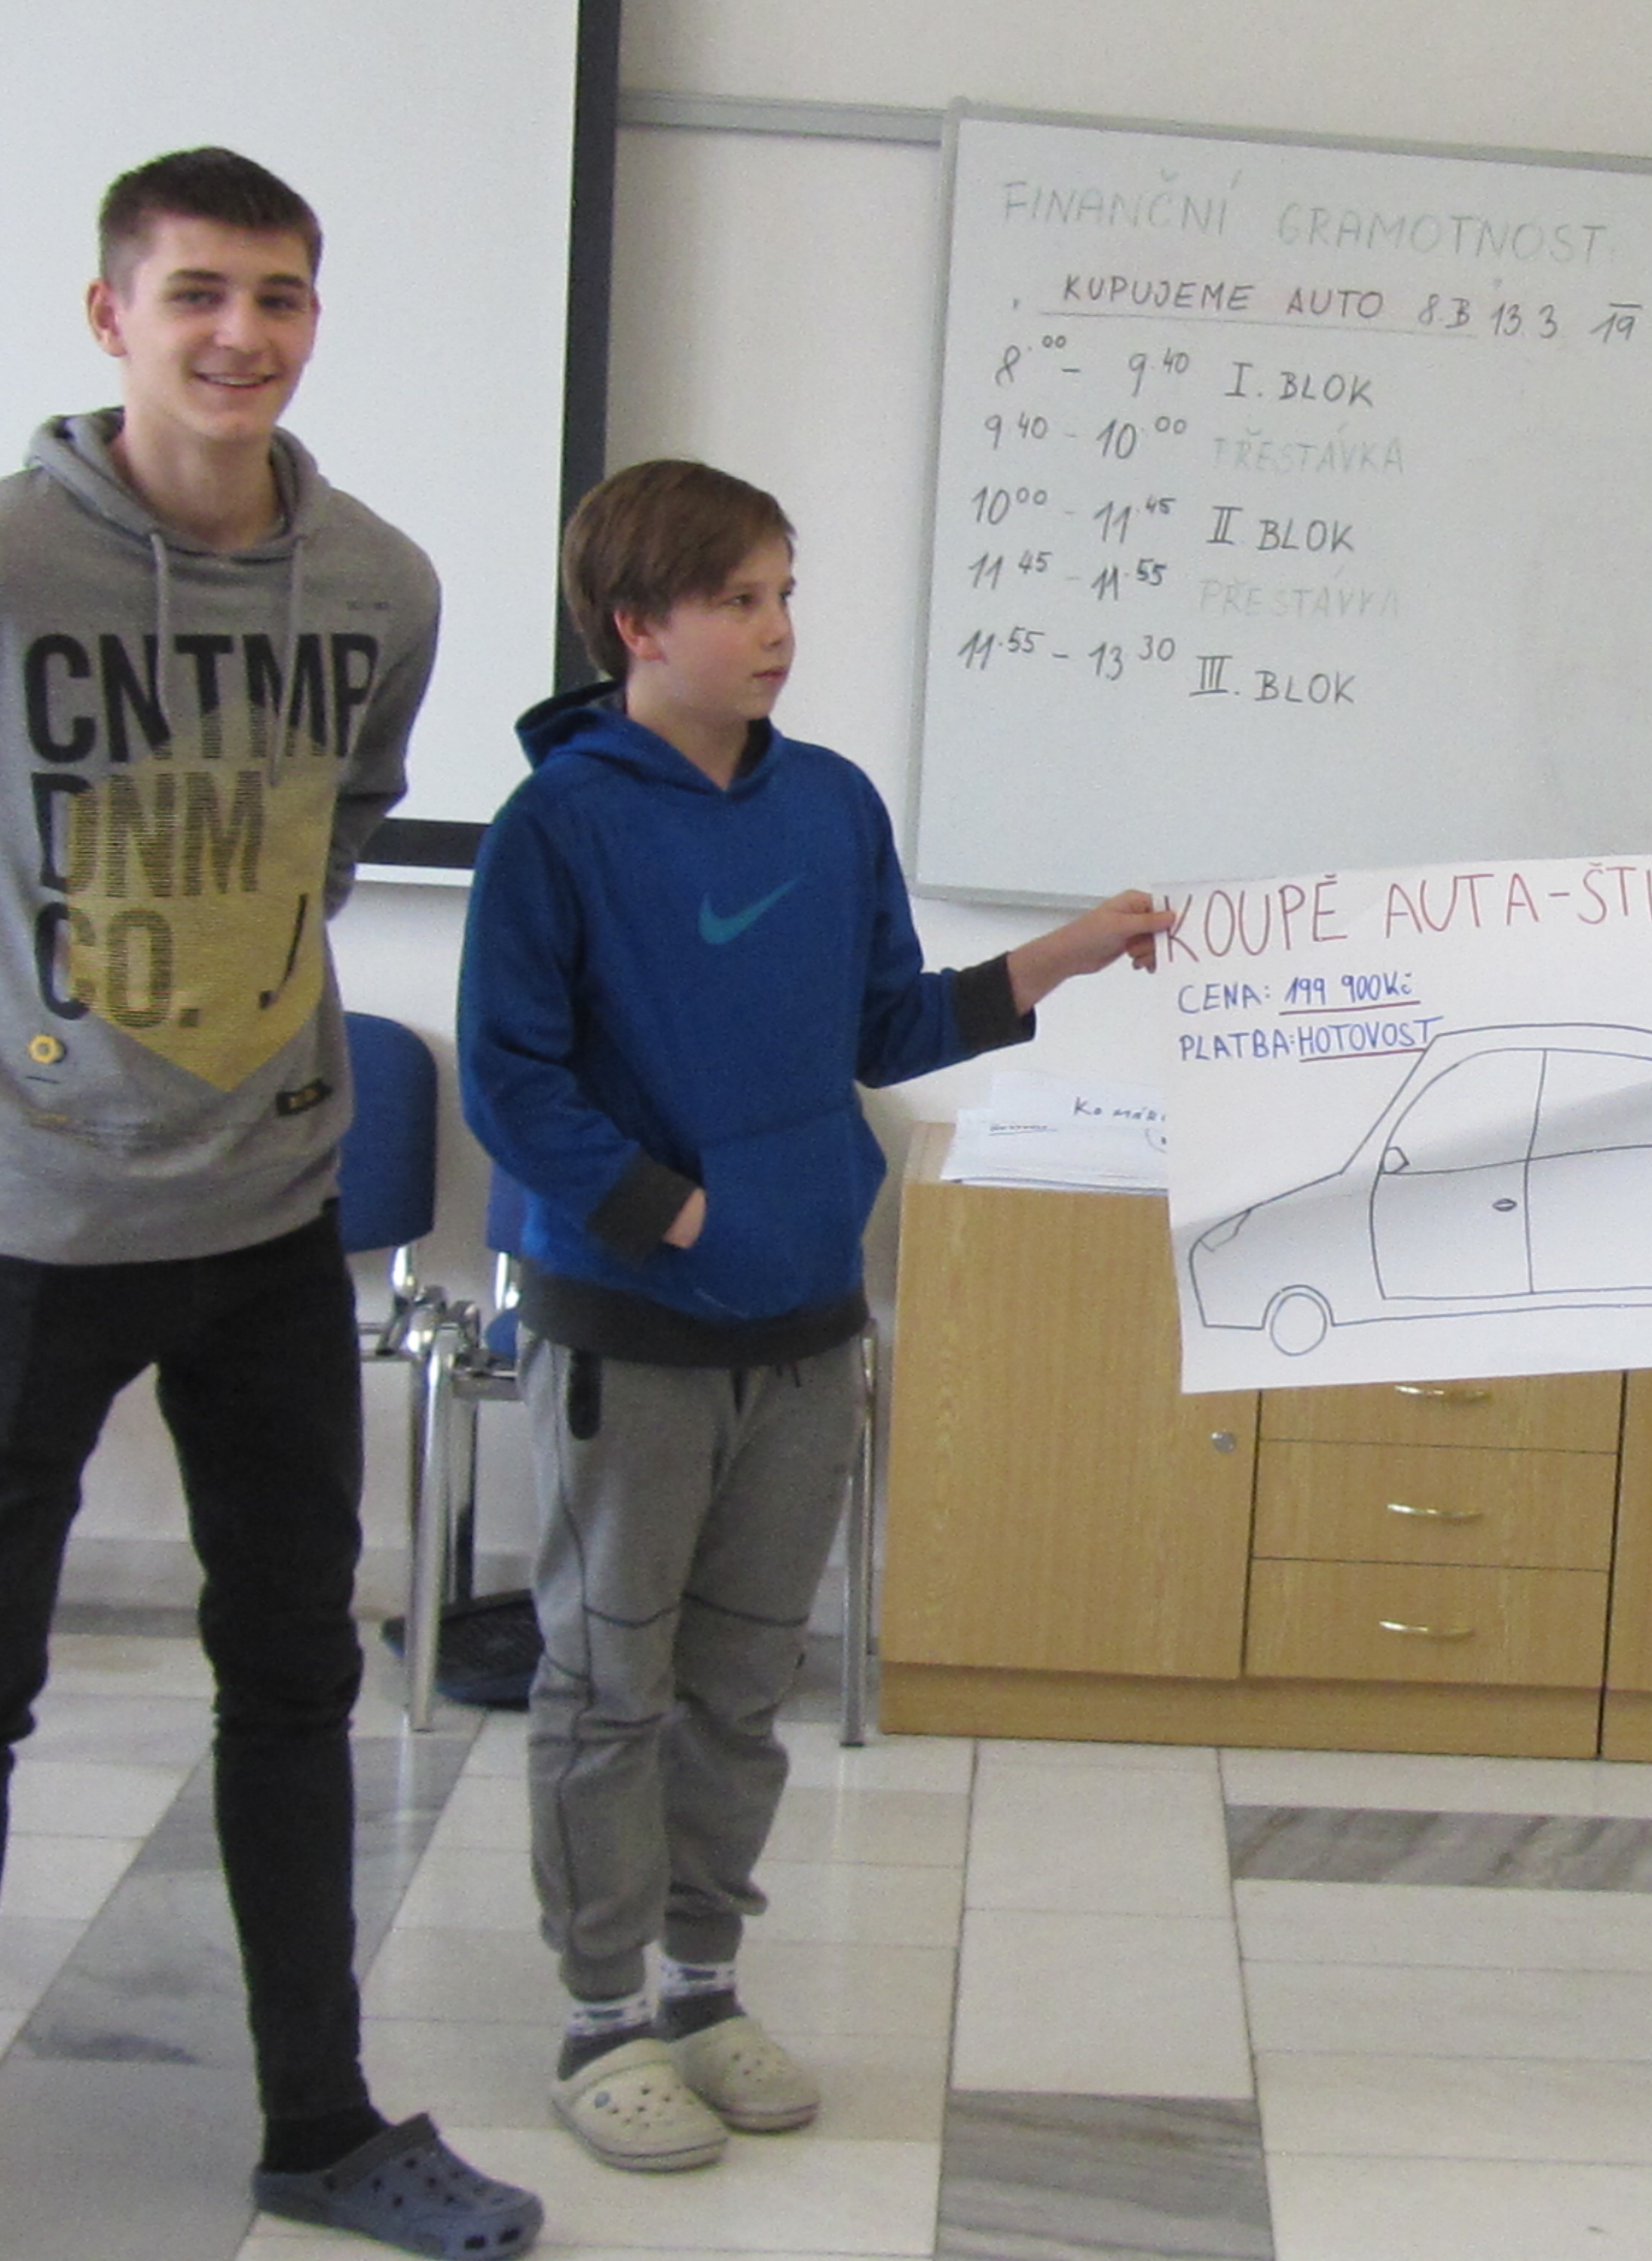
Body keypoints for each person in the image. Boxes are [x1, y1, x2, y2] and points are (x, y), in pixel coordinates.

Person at [457, 457, 1168, 2174]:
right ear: (639, 625)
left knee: (741, 1681)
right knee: (609, 1683)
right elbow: (510, 1081)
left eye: (786, 593)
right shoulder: (558, 825)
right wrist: (671, 1209)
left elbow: (884, 1025)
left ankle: (702, 1986)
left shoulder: (831, 804)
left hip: (803, 1322)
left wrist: (1065, 954)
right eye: (742, 599)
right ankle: (601, 2015)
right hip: (631, 1328)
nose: (780, 629)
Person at [0, 149, 541, 2257]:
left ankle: (319, 2124)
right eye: (198, 293)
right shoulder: (13, 562)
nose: (243, 336)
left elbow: (336, 832)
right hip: (31, 1226)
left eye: (282, 296)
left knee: (299, 1677)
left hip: (265, 1219)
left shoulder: (379, 583)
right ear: (108, 315)